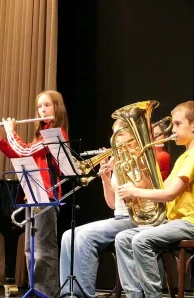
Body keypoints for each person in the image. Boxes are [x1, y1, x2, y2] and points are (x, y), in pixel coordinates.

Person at [114, 101, 194, 298]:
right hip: (176, 222)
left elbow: (170, 194)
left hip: (193, 223)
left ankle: (152, 296)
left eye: (177, 124)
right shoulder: (185, 156)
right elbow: (160, 189)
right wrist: (142, 164)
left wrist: (135, 192)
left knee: (141, 240)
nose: (172, 130)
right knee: (123, 238)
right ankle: (135, 295)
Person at [0, 90, 67, 297]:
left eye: (47, 106)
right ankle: (35, 290)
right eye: (40, 106)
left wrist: (11, 131)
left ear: (57, 108)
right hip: (33, 193)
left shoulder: (55, 134)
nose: (42, 110)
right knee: (30, 249)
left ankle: (48, 293)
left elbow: (25, 151)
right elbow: (21, 153)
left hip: (48, 195)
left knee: (44, 251)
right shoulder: (41, 134)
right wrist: (2, 141)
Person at [57, 119, 137, 298]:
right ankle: (68, 293)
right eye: (113, 134)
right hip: (119, 218)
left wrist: (120, 171)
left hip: (134, 220)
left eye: (121, 134)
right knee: (67, 235)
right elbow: (112, 204)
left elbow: (135, 198)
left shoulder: (138, 160)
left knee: (86, 236)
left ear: (134, 136)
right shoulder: (120, 161)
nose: (115, 139)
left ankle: (84, 295)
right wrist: (106, 179)